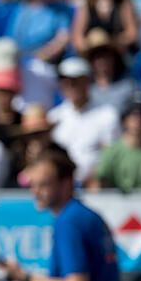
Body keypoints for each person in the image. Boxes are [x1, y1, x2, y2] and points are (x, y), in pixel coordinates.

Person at [2, 148, 121, 281]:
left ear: (66, 184)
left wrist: (25, 278)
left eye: (43, 185)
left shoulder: (69, 221)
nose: (35, 192)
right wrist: (23, 275)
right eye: (33, 185)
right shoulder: (82, 215)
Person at [48, 56, 121, 185]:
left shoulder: (107, 115)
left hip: (95, 186)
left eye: (76, 81)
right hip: (60, 187)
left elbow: (110, 156)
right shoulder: (54, 117)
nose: (71, 85)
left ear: (87, 81)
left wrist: (93, 178)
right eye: (66, 81)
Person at [96, 92, 141, 192]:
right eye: (133, 115)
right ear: (124, 119)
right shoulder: (111, 152)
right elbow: (102, 183)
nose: (138, 120)